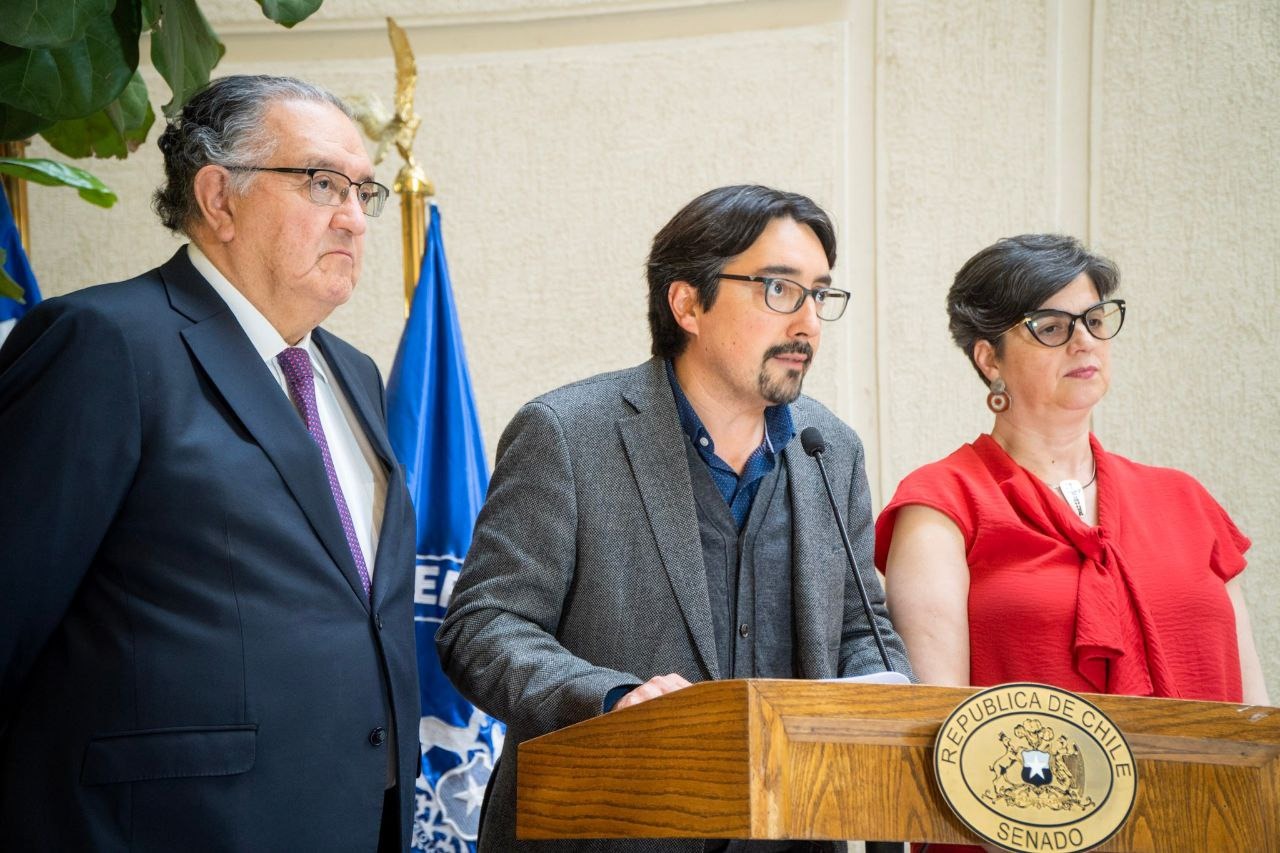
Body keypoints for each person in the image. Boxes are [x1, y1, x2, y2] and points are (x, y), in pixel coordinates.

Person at [0, 75, 421, 852]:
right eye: (324, 183)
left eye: (366, 191)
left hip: (357, 817)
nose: (355, 219)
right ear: (219, 198)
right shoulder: (105, 343)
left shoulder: (353, 371)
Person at [437, 184, 913, 853]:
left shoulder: (830, 448)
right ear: (688, 302)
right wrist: (612, 698)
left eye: (819, 294)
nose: (807, 322)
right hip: (606, 831)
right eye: (780, 289)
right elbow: (482, 629)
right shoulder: (569, 433)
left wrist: (885, 694)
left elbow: (860, 624)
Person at [875, 234, 1270, 853]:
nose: (1084, 339)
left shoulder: (1186, 502)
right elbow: (938, 731)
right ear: (989, 358)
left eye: (1093, 319)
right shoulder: (941, 503)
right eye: (1050, 327)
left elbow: (1256, 715)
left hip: (1208, 828)